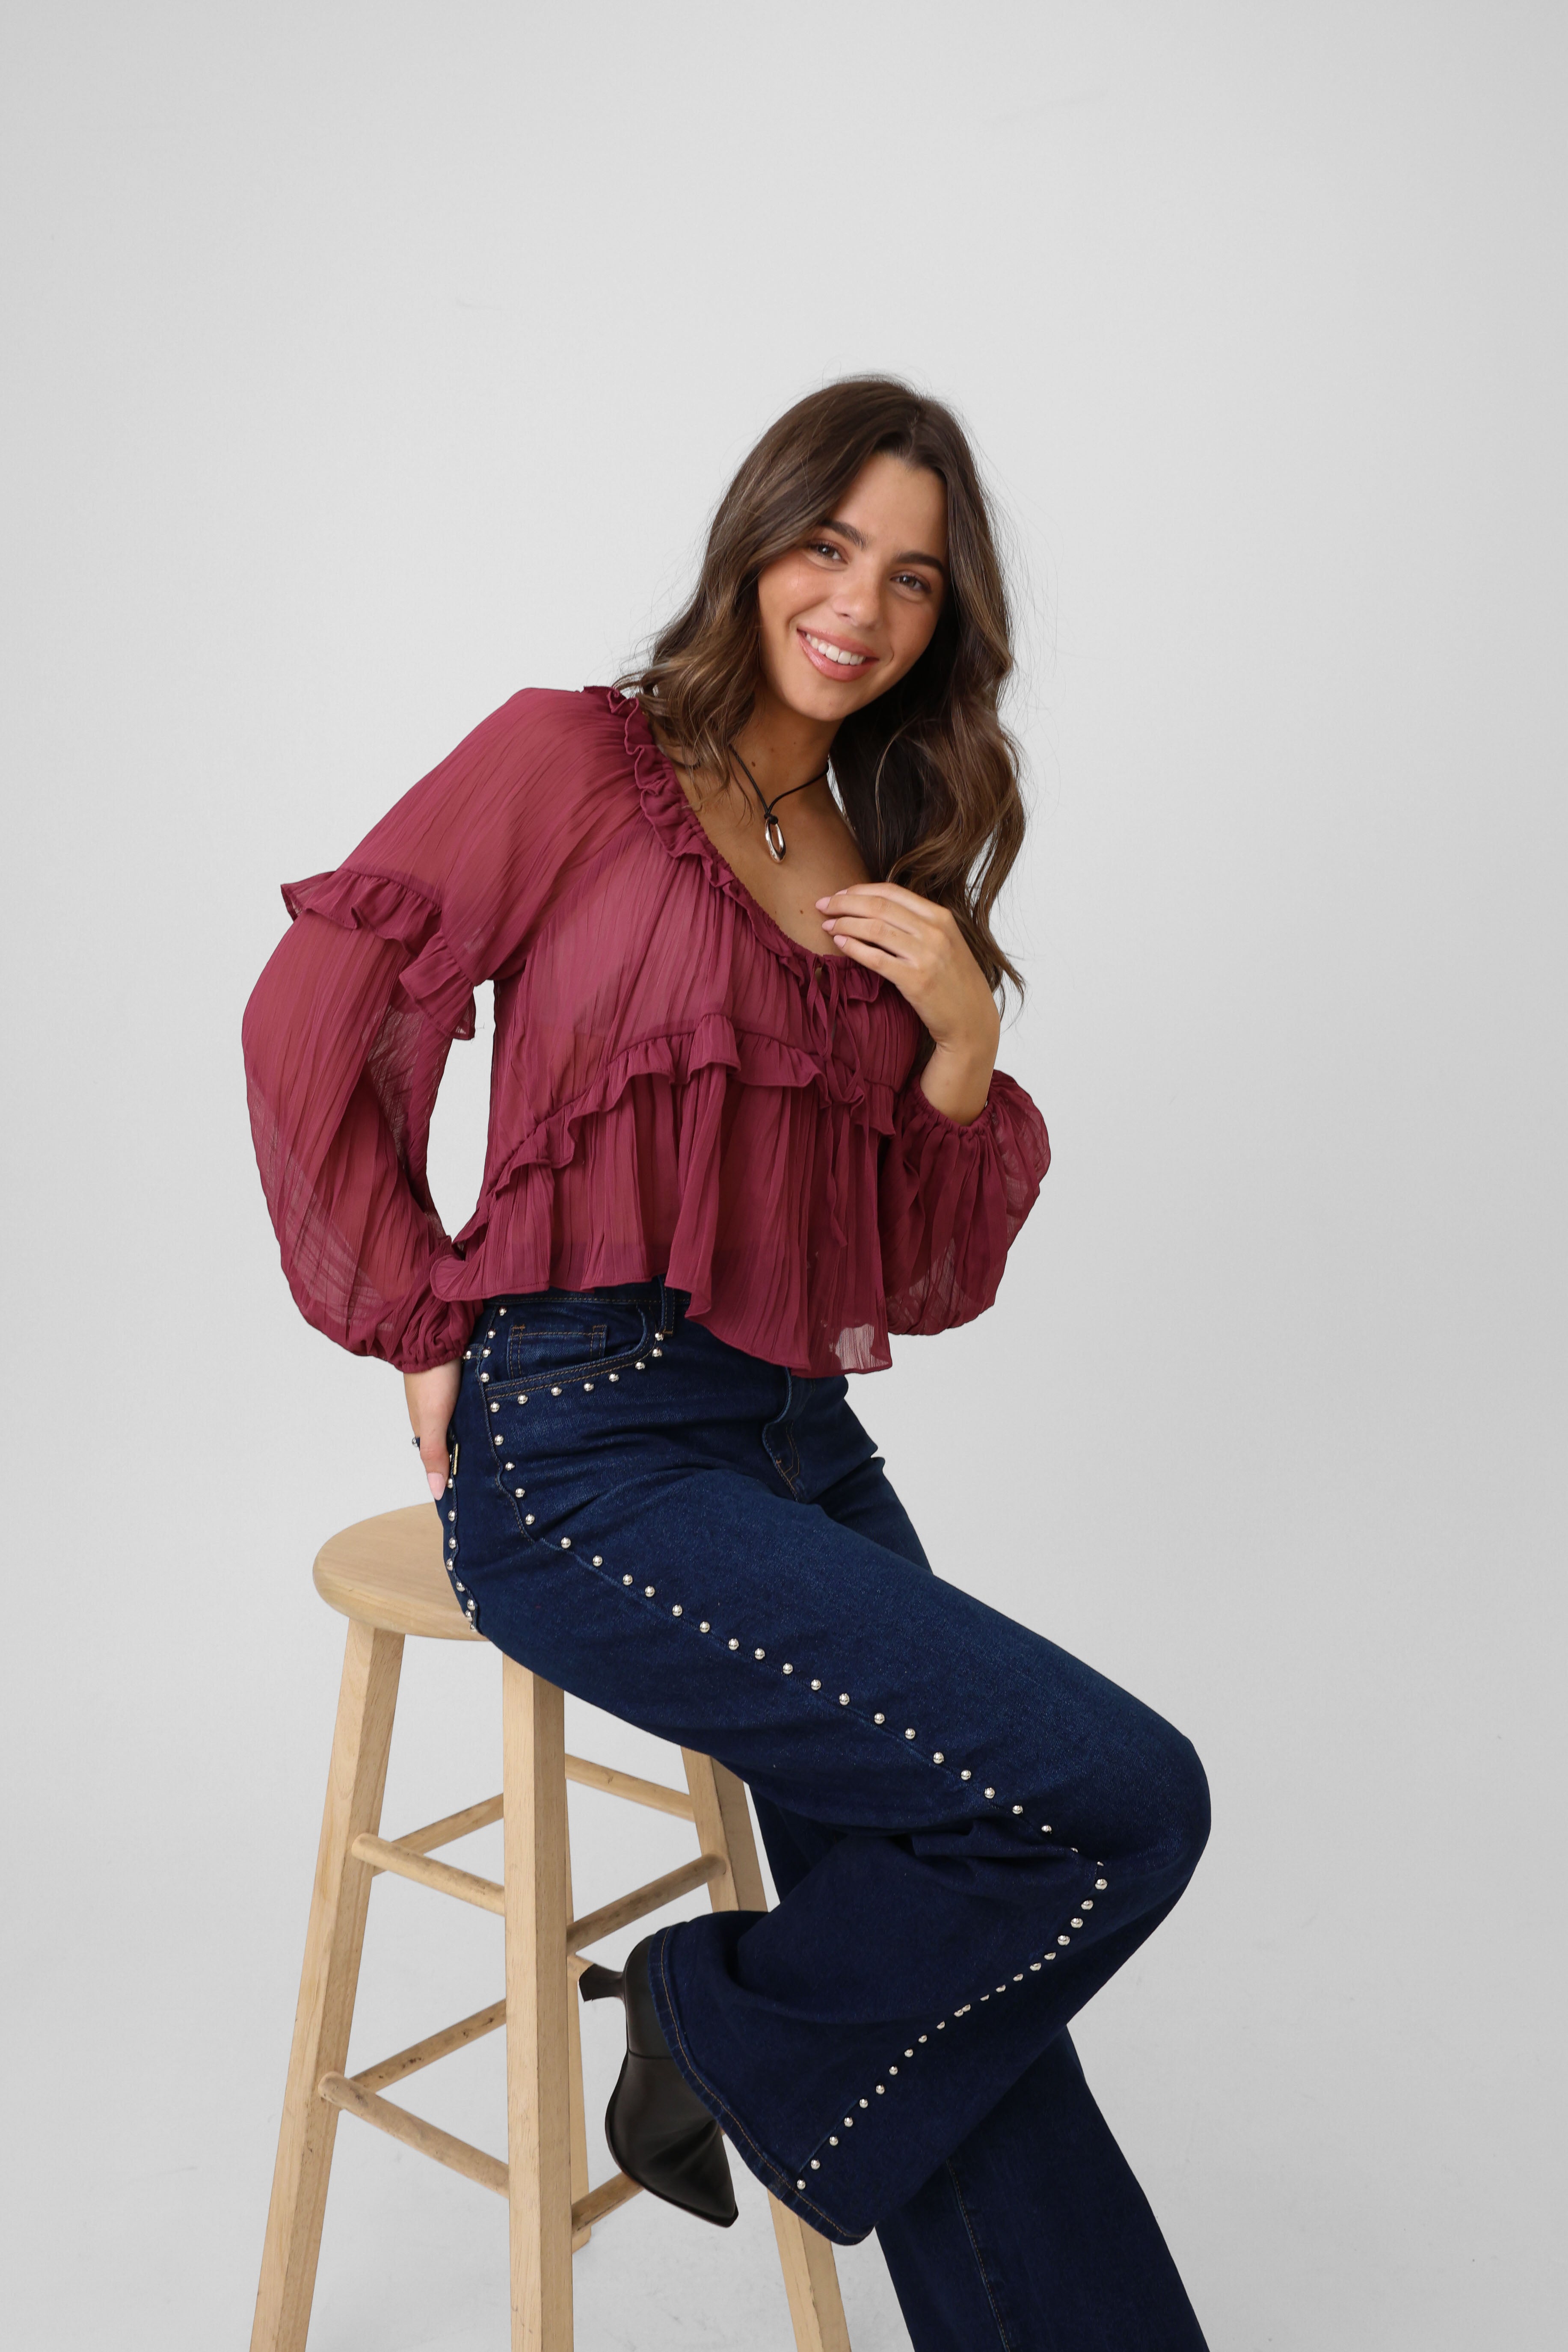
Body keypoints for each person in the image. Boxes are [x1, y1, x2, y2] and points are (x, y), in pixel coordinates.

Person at [242, 376, 1211, 2349]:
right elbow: (309, 1015)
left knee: (964, 1977)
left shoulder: (876, 858)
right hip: (582, 1459)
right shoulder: (572, 761)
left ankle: (727, 2029)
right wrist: (424, 1311)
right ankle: (709, 2013)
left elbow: (907, 1277)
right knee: (1121, 1800)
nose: (859, 602)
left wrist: (955, 1046)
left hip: (799, 1446)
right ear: (755, 536)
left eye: (914, 580)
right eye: (828, 543)